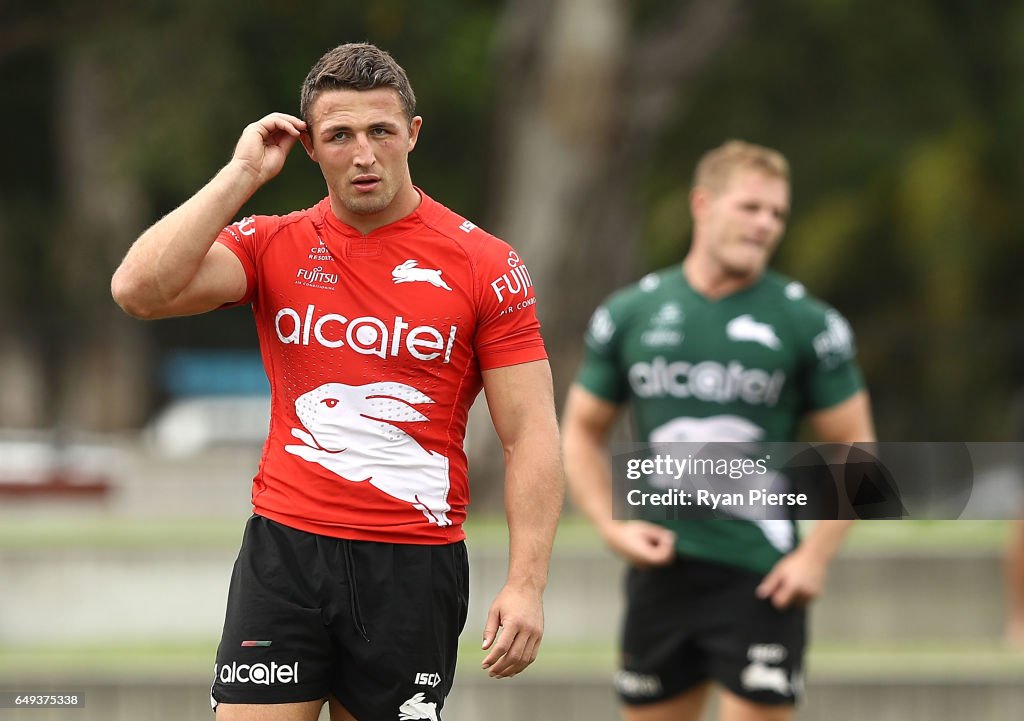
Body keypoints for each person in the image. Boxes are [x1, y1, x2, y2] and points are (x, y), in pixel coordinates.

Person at [111, 42, 562, 721]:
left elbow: (531, 433)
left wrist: (526, 584)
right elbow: (139, 290)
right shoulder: (272, 244)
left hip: (412, 562)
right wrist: (241, 173)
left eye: (381, 131)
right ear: (311, 148)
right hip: (286, 551)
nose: (363, 153)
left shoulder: (485, 263)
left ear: (412, 133)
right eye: (339, 135)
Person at [561, 140, 875, 721]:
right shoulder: (631, 313)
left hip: (761, 577)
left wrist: (814, 559)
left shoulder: (808, 322)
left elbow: (855, 452)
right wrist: (609, 528)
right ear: (702, 204)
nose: (766, 225)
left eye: (777, 214)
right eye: (751, 207)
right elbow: (580, 429)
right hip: (662, 572)